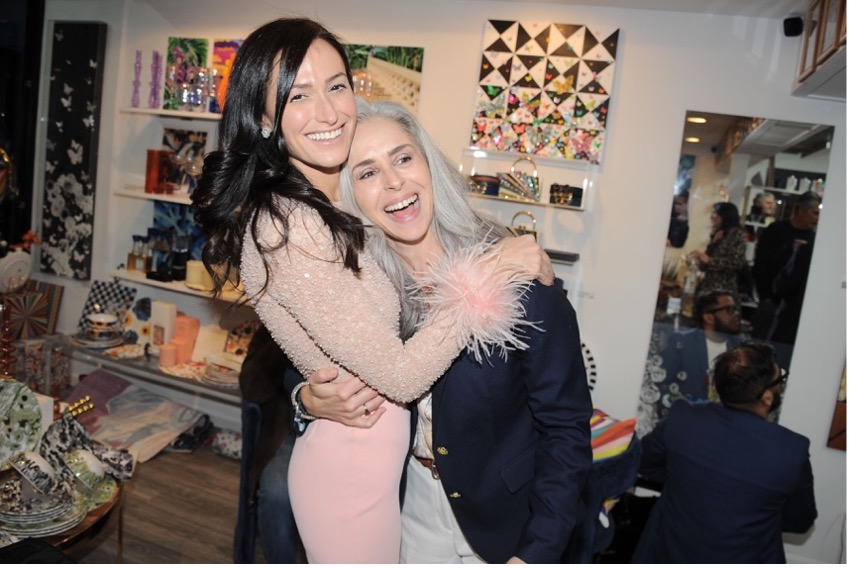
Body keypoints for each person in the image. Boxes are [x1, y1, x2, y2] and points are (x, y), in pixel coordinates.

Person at [191, 18, 550, 563]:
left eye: (336, 86)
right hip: (349, 475)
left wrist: (306, 397)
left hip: (378, 468)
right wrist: (491, 269)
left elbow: (338, 338)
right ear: (264, 118)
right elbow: (399, 376)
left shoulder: (333, 200)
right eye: (298, 96)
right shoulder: (288, 225)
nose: (328, 111)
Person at [330, 98, 591, 563]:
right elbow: (302, 366)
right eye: (367, 172)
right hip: (404, 513)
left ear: (429, 164)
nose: (393, 182)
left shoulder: (516, 276)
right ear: (350, 198)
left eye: (403, 158)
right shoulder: (361, 291)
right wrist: (305, 400)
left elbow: (565, 429)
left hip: (508, 525)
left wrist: (536, 553)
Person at [633, 342, 817, 563]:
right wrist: (757, 516)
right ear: (767, 397)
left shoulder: (683, 418)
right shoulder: (791, 451)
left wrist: (688, 481)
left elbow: (643, 462)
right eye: (780, 380)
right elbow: (800, 521)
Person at [235, 325, 300, 563]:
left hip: (343, 435)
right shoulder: (278, 323)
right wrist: (284, 339)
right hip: (289, 431)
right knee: (276, 493)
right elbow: (251, 388)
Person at [654, 289, 744, 415]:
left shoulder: (740, 347)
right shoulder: (682, 343)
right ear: (708, 318)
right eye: (729, 310)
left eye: (736, 309)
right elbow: (660, 385)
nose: (736, 313)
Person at [751, 191, 821, 339]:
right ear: (801, 210)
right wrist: (765, 296)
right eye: (814, 213)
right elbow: (761, 264)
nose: (817, 218)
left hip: (795, 308)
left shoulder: (815, 239)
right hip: (771, 302)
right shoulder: (775, 231)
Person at [689, 201, 746, 302]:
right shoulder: (718, 233)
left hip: (722, 290)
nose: (712, 216)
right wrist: (702, 256)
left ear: (725, 215)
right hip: (707, 288)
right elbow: (704, 266)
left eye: (715, 213)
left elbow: (736, 262)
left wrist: (709, 260)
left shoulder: (736, 234)